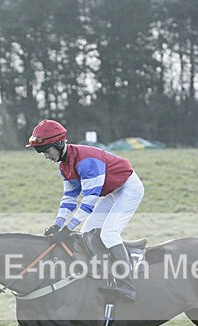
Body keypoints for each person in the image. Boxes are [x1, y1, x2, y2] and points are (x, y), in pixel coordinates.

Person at [26, 119, 144, 301]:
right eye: (41, 152)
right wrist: (57, 225)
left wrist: (67, 229)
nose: (45, 156)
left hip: (128, 188)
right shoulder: (64, 166)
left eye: (46, 151)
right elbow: (69, 199)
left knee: (109, 233)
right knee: (87, 232)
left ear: (58, 144)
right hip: (111, 191)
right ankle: (104, 271)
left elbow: (88, 204)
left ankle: (127, 285)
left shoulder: (86, 161)